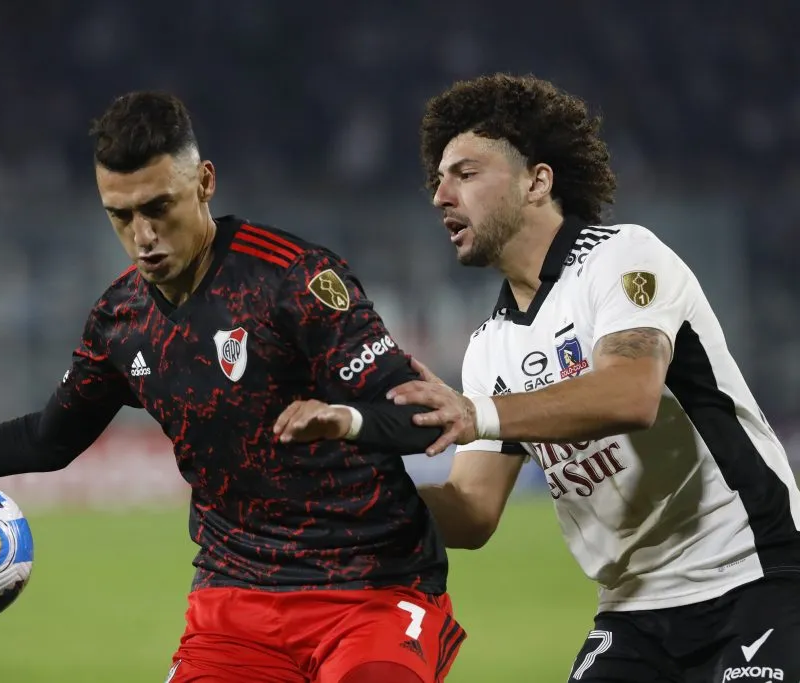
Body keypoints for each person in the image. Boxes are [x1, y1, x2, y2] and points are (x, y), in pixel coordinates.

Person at [0, 91, 465, 683]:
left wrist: (344, 419)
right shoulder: (121, 321)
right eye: (121, 215)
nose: (143, 236)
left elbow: (421, 415)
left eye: (159, 208)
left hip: (372, 588)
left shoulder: (293, 279)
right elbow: (48, 438)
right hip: (234, 599)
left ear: (204, 183)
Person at [279, 74, 800, 683]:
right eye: (437, 180)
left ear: (538, 181)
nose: (440, 196)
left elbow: (631, 394)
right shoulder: (490, 347)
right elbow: (472, 512)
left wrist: (479, 414)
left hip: (754, 578)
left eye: (465, 174)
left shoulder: (623, 256)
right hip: (633, 613)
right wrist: (343, 499)